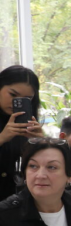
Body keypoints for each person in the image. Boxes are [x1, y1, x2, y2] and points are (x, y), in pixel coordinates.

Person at [0, 66, 43, 200]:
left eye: (26, 99)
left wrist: (39, 143)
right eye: (13, 95)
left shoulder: (22, 122)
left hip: (10, 199)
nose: (16, 102)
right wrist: (2, 138)